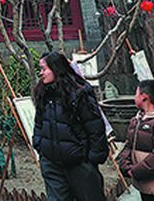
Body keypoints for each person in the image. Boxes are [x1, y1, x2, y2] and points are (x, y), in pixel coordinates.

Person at [31, 51, 108, 201]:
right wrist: (39, 145)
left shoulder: (79, 92)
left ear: (56, 68)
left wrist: (91, 160)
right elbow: (39, 123)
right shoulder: (43, 93)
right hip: (52, 163)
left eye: (44, 69)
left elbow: (95, 127)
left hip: (78, 163)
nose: (41, 73)